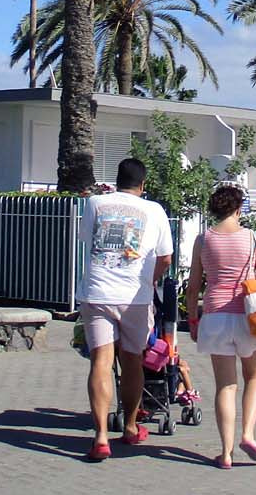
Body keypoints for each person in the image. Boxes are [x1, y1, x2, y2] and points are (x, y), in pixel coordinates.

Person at [78, 157, 174, 462]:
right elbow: (166, 257)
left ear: (116, 180)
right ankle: (130, 427)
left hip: (97, 292)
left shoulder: (95, 203)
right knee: (132, 362)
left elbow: (86, 240)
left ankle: (101, 437)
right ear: (143, 185)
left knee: (101, 362)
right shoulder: (155, 210)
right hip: (135, 297)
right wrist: (150, 279)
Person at [185, 183, 256, 470]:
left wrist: (193, 319)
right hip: (248, 317)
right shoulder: (252, 238)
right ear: (238, 209)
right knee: (255, 376)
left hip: (214, 317)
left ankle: (225, 453)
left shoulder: (203, 240)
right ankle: (248, 434)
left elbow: (194, 285)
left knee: (225, 385)